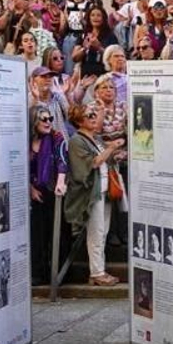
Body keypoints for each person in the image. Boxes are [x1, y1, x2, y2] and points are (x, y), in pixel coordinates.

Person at [65, 103, 123, 286]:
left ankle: (99, 270)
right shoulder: (77, 141)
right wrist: (111, 148)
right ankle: (97, 272)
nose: (93, 118)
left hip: (104, 191)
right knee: (96, 233)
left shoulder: (96, 138)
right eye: (89, 115)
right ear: (79, 120)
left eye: (93, 115)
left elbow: (104, 159)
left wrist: (114, 154)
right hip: (91, 194)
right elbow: (93, 163)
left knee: (103, 232)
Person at [28, 105, 68, 285]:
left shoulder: (56, 137)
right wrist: (30, 189)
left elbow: (62, 161)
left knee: (57, 231)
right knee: (37, 233)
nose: (48, 122)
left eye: (50, 118)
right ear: (34, 121)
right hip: (32, 190)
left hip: (52, 189)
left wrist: (60, 182)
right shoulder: (26, 141)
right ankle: (37, 271)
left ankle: (57, 272)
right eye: (43, 119)